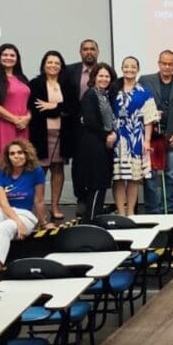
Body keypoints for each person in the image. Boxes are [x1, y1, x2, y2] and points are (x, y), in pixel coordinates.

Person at [0, 139, 46, 287]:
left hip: (25, 215)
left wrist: (43, 223)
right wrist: (17, 222)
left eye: (20, 152)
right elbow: (3, 203)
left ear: (26, 154)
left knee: (3, 228)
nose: (17, 156)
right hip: (4, 211)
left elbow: (39, 200)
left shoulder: (36, 171)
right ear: (7, 157)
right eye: (12, 153)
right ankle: (1, 243)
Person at [139, 50, 173, 214]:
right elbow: (138, 105)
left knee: (171, 175)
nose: (167, 67)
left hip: (172, 137)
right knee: (150, 175)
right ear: (158, 63)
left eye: (170, 64)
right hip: (151, 137)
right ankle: (153, 210)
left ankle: (169, 209)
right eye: (164, 63)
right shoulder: (145, 80)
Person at [27, 50, 71, 221]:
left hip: (62, 134)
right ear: (44, 65)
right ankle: (39, 207)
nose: (53, 65)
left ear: (61, 67)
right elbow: (36, 107)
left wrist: (52, 106)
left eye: (57, 63)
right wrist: (59, 108)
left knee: (58, 169)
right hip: (41, 133)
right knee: (40, 170)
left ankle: (55, 206)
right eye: (49, 62)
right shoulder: (36, 83)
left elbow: (72, 107)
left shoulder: (66, 84)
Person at [111, 56, 158, 217]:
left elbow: (149, 119)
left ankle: (131, 211)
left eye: (133, 67)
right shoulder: (113, 89)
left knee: (133, 178)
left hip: (136, 137)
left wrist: (147, 141)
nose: (129, 69)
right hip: (116, 138)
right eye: (126, 66)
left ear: (137, 70)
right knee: (117, 177)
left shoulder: (144, 92)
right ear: (121, 68)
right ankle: (121, 211)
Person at [74, 63, 117, 224]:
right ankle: (90, 222)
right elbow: (90, 121)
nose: (104, 79)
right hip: (93, 146)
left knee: (102, 183)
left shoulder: (105, 95)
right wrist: (107, 135)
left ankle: (94, 218)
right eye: (101, 76)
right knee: (97, 183)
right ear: (94, 78)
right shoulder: (90, 95)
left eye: (107, 76)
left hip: (102, 144)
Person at [63, 39, 100, 210]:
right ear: (80, 52)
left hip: (99, 126)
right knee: (78, 163)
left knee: (96, 162)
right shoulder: (70, 71)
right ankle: (81, 198)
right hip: (75, 125)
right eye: (85, 49)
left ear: (97, 52)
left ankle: (95, 199)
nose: (89, 52)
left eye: (92, 49)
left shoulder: (104, 71)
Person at [0, 43, 31, 176]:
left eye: (12, 55)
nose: (8, 58)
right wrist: (14, 119)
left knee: (21, 165)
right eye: (5, 55)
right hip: (1, 127)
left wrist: (27, 118)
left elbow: (29, 104)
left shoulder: (22, 79)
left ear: (17, 58)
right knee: (2, 164)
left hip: (23, 127)